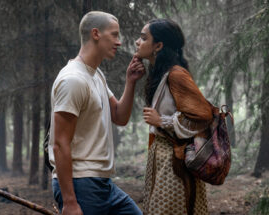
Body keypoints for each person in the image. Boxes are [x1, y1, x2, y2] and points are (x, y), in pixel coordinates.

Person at [48, 11, 145, 215]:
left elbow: (119, 116)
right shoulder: (73, 79)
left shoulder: (95, 73)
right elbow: (59, 143)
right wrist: (70, 202)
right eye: (114, 35)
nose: (119, 42)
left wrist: (130, 81)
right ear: (95, 34)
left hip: (103, 183)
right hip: (81, 184)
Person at [135, 19, 213, 215]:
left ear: (158, 46)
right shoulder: (160, 74)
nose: (137, 42)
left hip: (175, 162)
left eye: (144, 38)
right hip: (161, 159)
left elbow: (203, 116)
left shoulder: (176, 75)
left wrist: (162, 121)